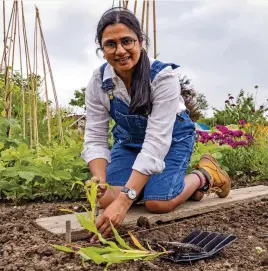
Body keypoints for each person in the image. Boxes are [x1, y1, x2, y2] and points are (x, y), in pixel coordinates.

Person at [81, 7, 231, 242]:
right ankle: (163, 184)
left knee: (158, 202)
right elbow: (95, 135)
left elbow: (156, 142)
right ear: (102, 49)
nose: (120, 51)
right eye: (110, 44)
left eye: (127, 41)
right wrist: (99, 180)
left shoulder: (162, 77)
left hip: (172, 140)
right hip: (130, 143)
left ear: (140, 42)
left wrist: (125, 201)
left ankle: (205, 175)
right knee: (106, 198)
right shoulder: (99, 82)